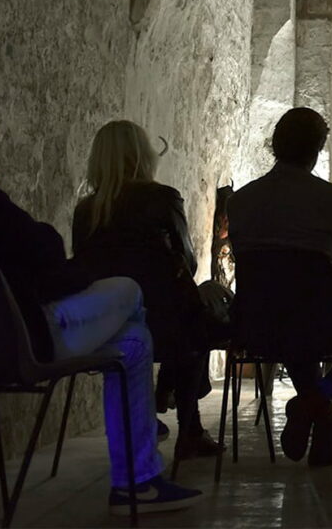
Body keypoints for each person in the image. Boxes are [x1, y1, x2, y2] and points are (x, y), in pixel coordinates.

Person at [0, 79, 200, 514]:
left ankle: (140, 479)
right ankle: (137, 479)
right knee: (129, 290)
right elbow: (44, 249)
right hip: (15, 345)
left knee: (134, 343)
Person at [228, 108, 332, 467]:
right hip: (324, 323)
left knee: (294, 333)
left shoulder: (240, 201)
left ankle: (317, 414)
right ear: (317, 149)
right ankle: (316, 403)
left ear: (275, 145)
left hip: (258, 324)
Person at [71, 120, 222, 460]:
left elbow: (84, 268)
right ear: (143, 156)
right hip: (165, 325)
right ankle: (187, 426)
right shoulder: (162, 198)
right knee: (197, 322)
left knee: (185, 320)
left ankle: (162, 400)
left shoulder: (85, 211)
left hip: (106, 328)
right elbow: (187, 262)